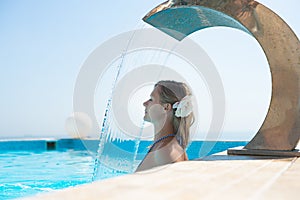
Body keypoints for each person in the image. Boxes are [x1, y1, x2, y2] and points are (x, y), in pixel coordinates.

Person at [135, 80, 194, 172]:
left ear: (166, 107)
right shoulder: (166, 146)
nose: (144, 103)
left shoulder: (165, 151)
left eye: (151, 99)